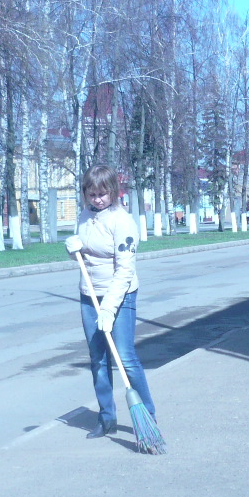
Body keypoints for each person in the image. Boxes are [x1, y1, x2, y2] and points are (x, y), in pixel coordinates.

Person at [65, 165, 156, 439]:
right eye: (91, 194)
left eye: (102, 194)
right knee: (98, 360)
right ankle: (106, 418)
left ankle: (147, 417)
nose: (97, 200)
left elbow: (124, 270)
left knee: (125, 358)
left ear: (113, 192)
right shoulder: (84, 216)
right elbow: (87, 257)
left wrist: (108, 307)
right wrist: (73, 250)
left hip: (121, 294)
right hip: (89, 294)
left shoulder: (123, 221)